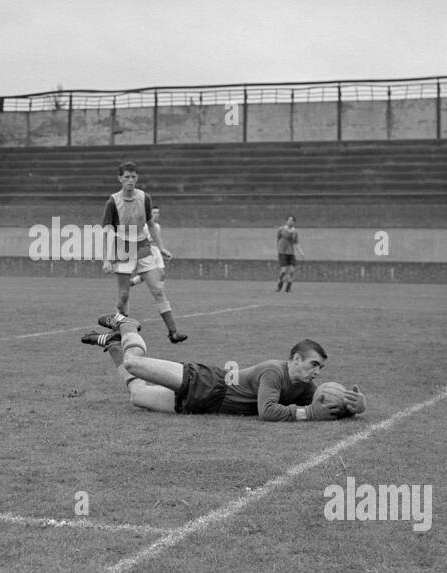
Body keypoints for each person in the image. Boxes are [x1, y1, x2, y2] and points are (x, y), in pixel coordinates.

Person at [81, 312, 365, 421]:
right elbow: (267, 412)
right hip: (205, 382)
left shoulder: (305, 388)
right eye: (314, 364)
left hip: (206, 405)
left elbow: (324, 405)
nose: (317, 372)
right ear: (296, 360)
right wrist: (309, 414)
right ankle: (127, 325)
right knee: (134, 362)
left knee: (137, 396)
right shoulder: (274, 371)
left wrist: (355, 407)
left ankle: (113, 345)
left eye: (321, 368)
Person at [102, 162, 186, 343]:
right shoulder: (113, 201)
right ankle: (119, 328)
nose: (130, 181)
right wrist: (107, 259)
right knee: (124, 296)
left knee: (157, 289)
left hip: (143, 248)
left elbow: (151, 224)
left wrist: (161, 247)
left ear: (137, 178)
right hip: (123, 249)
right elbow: (108, 231)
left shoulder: (144, 198)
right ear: (120, 179)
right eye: (126, 177)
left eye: (133, 177)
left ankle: (173, 332)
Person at [130, 205, 173, 286]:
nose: (156, 214)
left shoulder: (157, 226)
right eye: (154, 212)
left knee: (160, 273)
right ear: (149, 214)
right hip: (148, 250)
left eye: (158, 213)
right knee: (152, 273)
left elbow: (157, 240)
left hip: (156, 250)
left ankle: (131, 283)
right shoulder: (144, 226)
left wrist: (162, 250)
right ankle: (130, 283)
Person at [276, 215, 303, 292]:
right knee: (283, 271)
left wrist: (301, 252)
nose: (290, 222)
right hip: (282, 252)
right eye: (289, 220)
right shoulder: (281, 229)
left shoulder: (295, 232)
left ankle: (288, 288)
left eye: (292, 220)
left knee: (291, 271)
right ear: (286, 221)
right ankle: (279, 285)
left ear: (294, 222)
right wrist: (278, 249)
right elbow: (277, 239)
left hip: (291, 253)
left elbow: (296, 243)